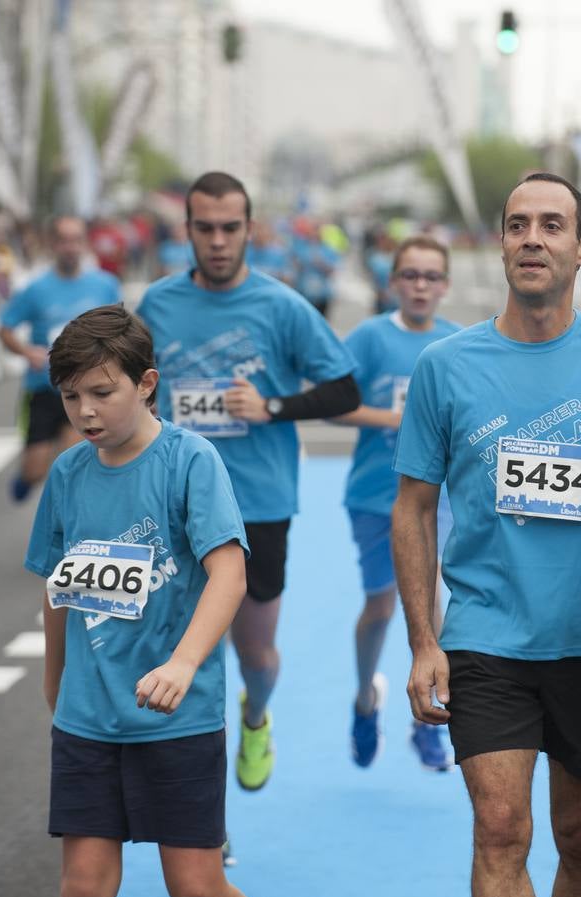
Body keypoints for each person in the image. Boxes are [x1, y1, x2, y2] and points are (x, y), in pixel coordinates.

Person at [392, 173, 581, 897]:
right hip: (487, 640)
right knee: (500, 827)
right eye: (518, 225)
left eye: (551, 226)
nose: (531, 239)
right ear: (501, 245)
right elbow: (414, 508)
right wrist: (425, 640)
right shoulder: (445, 367)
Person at [136, 172, 359, 793]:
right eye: (203, 228)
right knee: (187, 659)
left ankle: (256, 716)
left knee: (255, 657)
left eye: (229, 228)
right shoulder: (157, 305)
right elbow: (132, 386)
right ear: (187, 233)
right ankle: (202, 811)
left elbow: (344, 387)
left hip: (256, 505)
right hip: (174, 502)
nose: (216, 240)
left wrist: (272, 407)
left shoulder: (281, 306)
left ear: (248, 231)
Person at [25, 305, 248, 897]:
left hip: (178, 717)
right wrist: (56, 682)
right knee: (84, 887)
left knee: (197, 886)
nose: (85, 412)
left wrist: (182, 663)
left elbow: (229, 574)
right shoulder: (68, 473)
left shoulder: (189, 460)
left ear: (147, 383)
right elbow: (57, 588)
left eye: (102, 392)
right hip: (87, 718)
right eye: (71, 397)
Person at [330, 235, 461, 771]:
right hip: (374, 494)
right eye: (411, 275)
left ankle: (428, 714)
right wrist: (395, 421)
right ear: (393, 283)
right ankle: (365, 699)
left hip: (439, 498)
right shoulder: (368, 338)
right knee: (382, 607)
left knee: (433, 603)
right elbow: (333, 404)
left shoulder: (459, 343)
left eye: (432, 277)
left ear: (445, 286)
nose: (421, 286)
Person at [0, 215, 120, 502]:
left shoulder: (105, 285)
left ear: (84, 244)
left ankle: (67, 526)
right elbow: (4, 328)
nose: (70, 247)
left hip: (87, 392)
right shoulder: (36, 289)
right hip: (45, 389)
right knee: (35, 469)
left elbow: (119, 330)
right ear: (53, 244)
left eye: (76, 240)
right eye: (64, 241)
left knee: (72, 463)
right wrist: (27, 352)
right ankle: (27, 477)